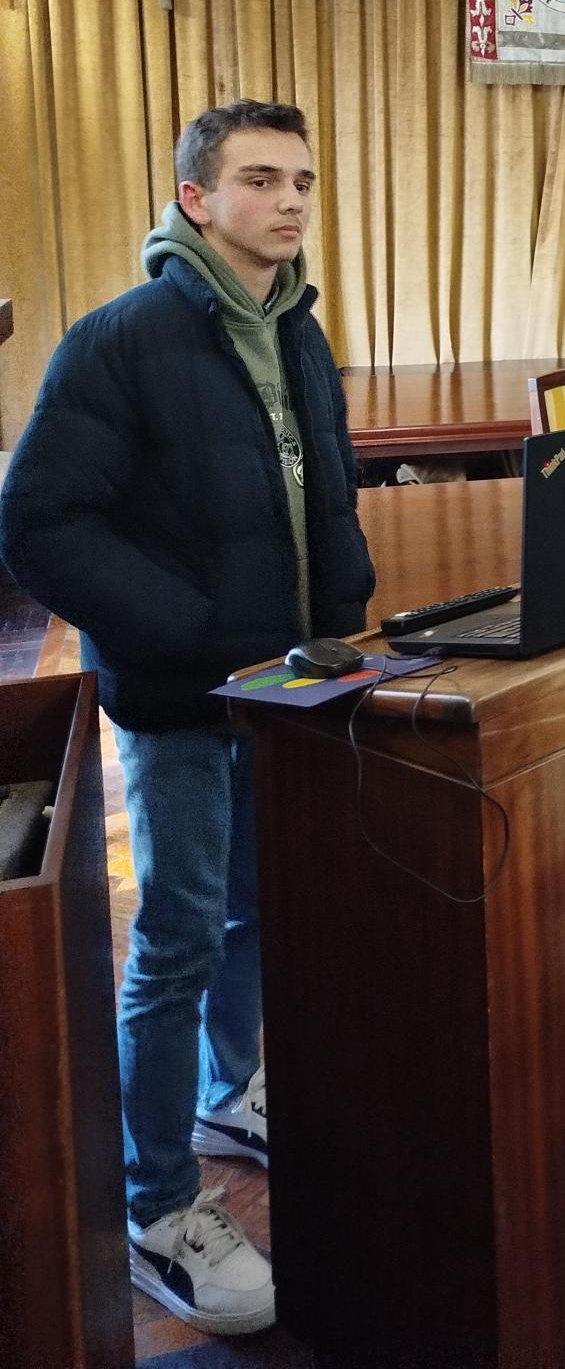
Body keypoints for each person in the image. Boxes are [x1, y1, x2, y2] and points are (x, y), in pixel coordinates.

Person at [0, 100, 374, 1334]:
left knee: (258, 909)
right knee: (175, 943)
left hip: (287, 688)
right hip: (180, 700)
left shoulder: (298, 327)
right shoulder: (123, 338)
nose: (291, 200)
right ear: (196, 199)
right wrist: (191, 629)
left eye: (303, 179)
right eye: (260, 178)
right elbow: (38, 522)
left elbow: (322, 482)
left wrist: (347, 592)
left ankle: (230, 1088)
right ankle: (157, 1202)